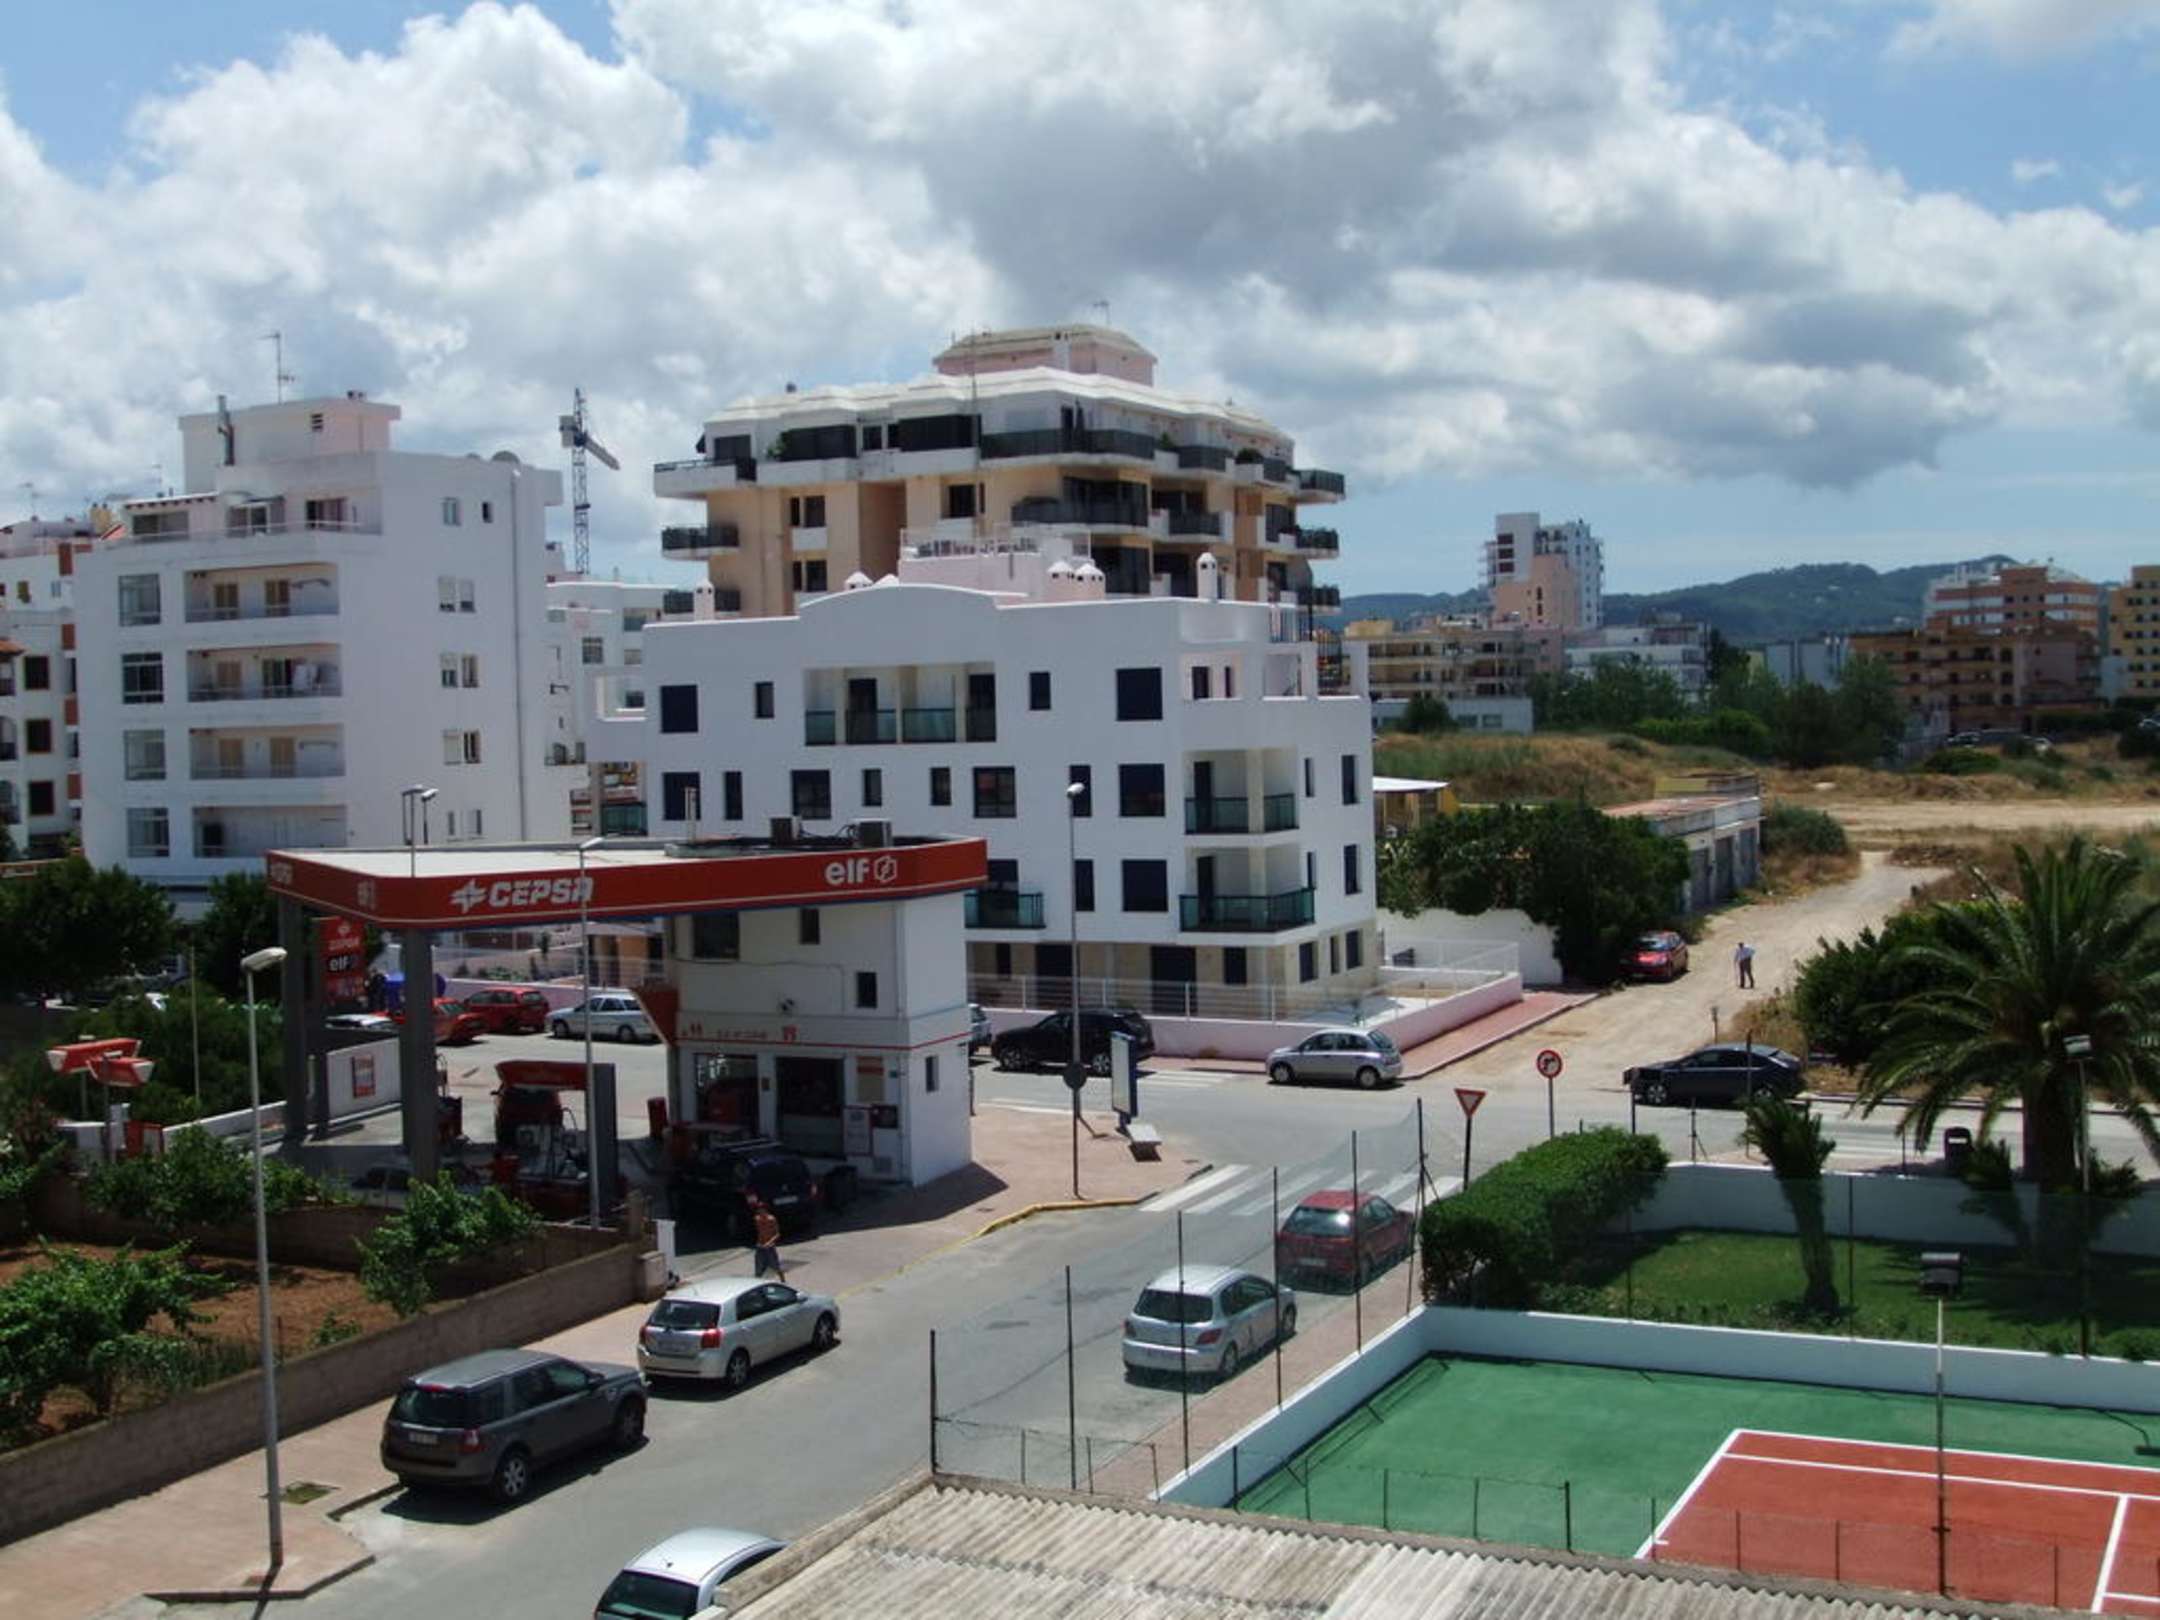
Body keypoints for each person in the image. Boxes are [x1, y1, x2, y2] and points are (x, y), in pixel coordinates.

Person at [749, 1193, 785, 1282]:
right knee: (758, 1270)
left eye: (762, 1210)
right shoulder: (757, 1219)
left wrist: (769, 1243)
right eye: (759, 1210)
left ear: (766, 1210)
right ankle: (757, 1284)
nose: (761, 1212)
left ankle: (783, 1282)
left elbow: (777, 1234)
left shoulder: (772, 1219)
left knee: (776, 1267)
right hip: (760, 1247)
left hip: (770, 1247)